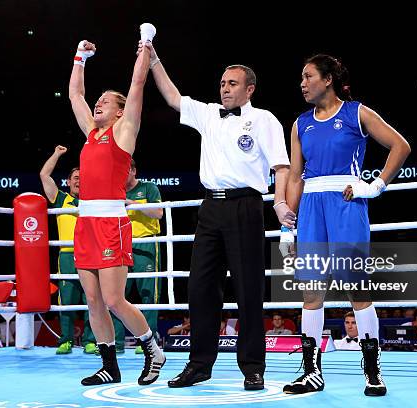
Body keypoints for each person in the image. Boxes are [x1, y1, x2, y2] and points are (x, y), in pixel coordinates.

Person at [141, 40, 294, 391]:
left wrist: (279, 203)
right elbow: (173, 97)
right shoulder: (208, 114)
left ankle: (253, 367)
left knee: (249, 288)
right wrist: (154, 60)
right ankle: (199, 365)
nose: (225, 89)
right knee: (200, 288)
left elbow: (282, 167)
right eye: (223, 83)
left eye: (232, 83)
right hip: (210, 207)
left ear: (249, 89)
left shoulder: (263, 119)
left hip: (247, 206)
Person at [281, 54, 411, 396]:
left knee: (357, 287)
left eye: (308, 76)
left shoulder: (357, 112)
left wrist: (376, 185)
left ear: (327, 80)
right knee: (311, 292)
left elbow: (400, 146)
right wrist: (286, 225)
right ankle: (311, 372)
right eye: (301, 77)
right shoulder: (300, 124)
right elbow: (295, 176)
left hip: (347, 203)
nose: (302, 83)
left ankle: (372, 370)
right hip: (310, 206)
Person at [68, 27, 165, 387]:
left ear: (121, 111)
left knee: (113, 299)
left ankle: (153, 350)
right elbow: (75, 94)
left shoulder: (124, 132)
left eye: (106, 101)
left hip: (111, 220)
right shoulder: (91, 133)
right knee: (93, 300)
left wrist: (145, 44)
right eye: (100, 101)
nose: (98, 104)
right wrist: (80, 57)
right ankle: (109, 365)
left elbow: (138, 86)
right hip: (85, 223)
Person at [40, 146, 97, 355]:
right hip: (66, 255)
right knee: (67, 299)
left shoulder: (93, 202)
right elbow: (44, 175)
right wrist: (56, 153)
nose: (79, 180)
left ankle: (91, 341)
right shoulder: (61, 198)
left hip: (90, 254)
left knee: (91, 299)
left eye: (83, 177)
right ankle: (66, 340)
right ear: (69, 181)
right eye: (75, 177)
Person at [114, 158, 163, 354]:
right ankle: (116, 344)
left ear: (133, 171)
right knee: (116, 295)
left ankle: (148, 343)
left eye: (125, 170)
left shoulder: (149, 188)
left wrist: (131, 203)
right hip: (119, 243)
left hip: (145, 243)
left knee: (148, 294)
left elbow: (158, 213)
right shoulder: (114, 190)